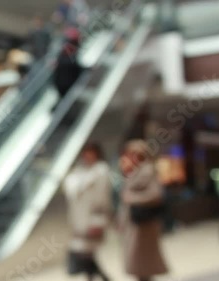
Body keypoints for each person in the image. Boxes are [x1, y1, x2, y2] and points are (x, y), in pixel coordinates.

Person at [119, 140, 169, 281]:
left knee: (143, 261)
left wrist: (132, 198)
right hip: (134, 223)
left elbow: (156, 195)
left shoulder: (147, 170)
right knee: (138, 263)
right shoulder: (133, 171)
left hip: (144, 224)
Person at [64, 143, 111, 281]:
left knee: (87, 252)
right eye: (86, 153)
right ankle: (98, 277)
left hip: (93, 219)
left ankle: (102, 277)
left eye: (91, 153)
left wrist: (98, 219)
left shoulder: (101, 171)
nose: (88, 156)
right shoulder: (79, 172)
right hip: (79, 220)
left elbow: (103, 198)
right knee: (86, 252)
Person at [52, 27, 84, 112]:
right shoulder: (66, 54)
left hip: (63, 81)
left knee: (64, 99)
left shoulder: (64, 53)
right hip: (65, 81)